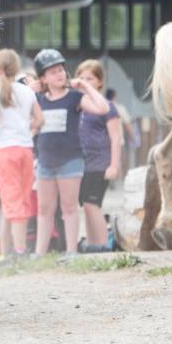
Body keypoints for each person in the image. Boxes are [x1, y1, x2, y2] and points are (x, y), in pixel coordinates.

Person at [33, 49, 110, 256]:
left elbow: (102, 108)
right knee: (44, 210)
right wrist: (31, 87)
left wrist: (85, 87)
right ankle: (39, 253)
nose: (59, 75)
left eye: (61, 70)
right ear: (43, 78)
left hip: (70, 160)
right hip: (45, 161)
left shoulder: (75, 97)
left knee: (69, 208)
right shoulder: (38, 99)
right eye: (52, 72)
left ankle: (71, 251)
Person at [0, 49, 42, 257]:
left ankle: (15, 251)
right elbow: (39, 120)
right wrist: (29, 132)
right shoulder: (28, 92)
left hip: (6, 151)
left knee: (10, 200)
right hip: (26, 149)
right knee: (23, 199)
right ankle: (18, 248)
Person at [73, 59, 122, 252]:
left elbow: (116, 138)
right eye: (82, 77)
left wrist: (114, 165)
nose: (85, 81)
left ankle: (104, 244)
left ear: (100, 82)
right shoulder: (77, 104)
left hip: (99, 162)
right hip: (80, 162)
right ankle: (94, 245)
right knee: (85, 205)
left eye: (90, 78)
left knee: (92, 203)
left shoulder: (108, 107)